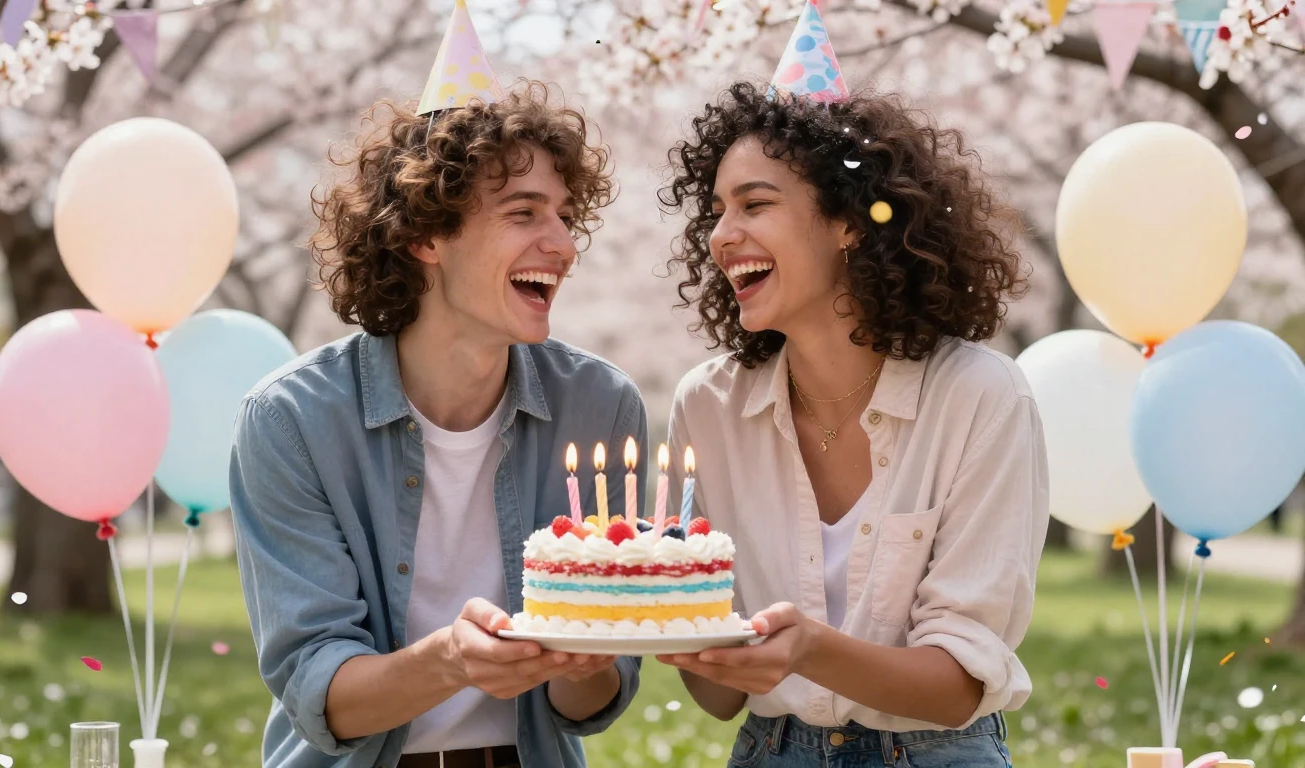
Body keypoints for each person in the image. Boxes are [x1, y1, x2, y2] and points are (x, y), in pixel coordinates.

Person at [229, 80, 646, 768]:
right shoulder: (291, 420)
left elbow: (593, 705)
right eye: (524, 213)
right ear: (425, 233)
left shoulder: (599, 407)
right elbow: (319, 691)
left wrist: (582, 659)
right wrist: (453, 660)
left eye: (566, 216)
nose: (563, 246)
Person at [657, 80, 1047, 767]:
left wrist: (807, 646)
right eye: (717, 211)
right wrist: (677, 620)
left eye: (755, 203)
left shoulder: (981, 398)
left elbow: (957, 687)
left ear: (849, 222)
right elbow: (718, 700)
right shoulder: (707, 409)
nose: (721, 235)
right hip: (769, 750)